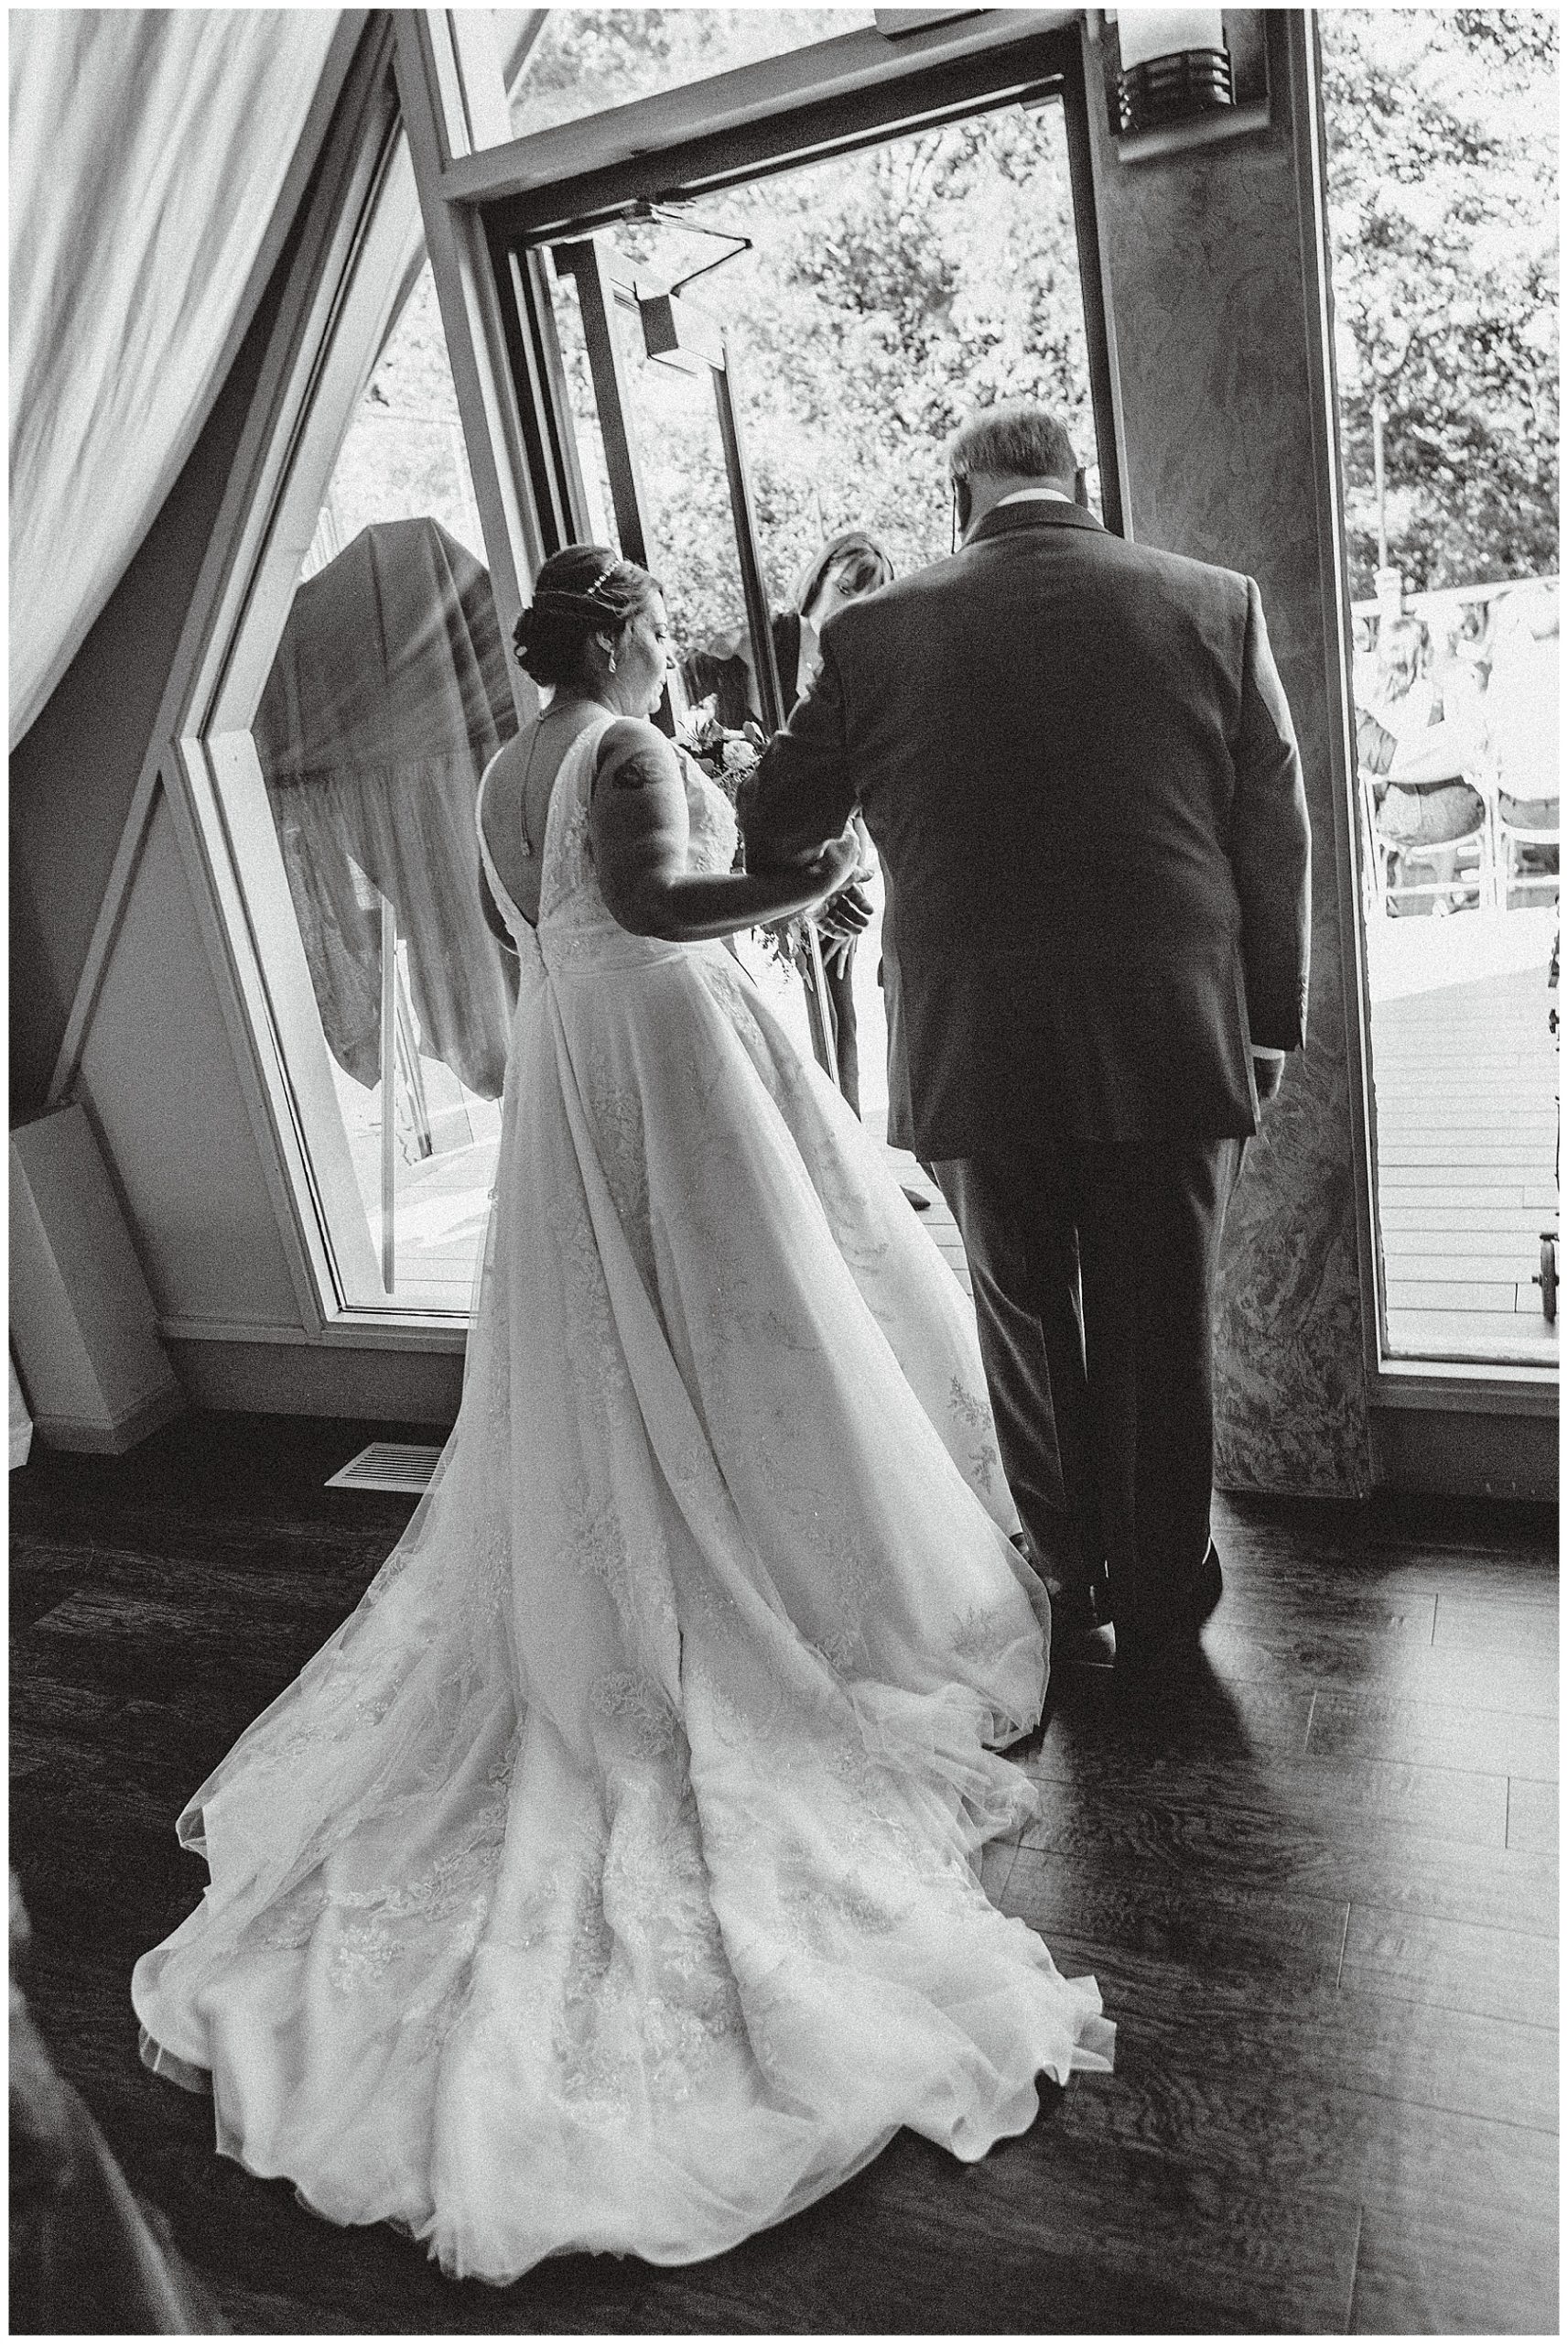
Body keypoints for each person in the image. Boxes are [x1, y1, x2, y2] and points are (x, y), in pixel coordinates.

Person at [131, 544, 1112, 2284]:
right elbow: (658, 908)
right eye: (660, 623)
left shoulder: (508, 766)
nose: (674, 646)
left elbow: (563, 919)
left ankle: (697, 1518)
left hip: (577, 1054)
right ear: (622, 638)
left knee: (640, 1325)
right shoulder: (631, 752)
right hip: (661, 1039)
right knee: (758, 1315)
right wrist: (799, 889)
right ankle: (801, 1574)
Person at [741, 402, 1312, 1676]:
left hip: (974, 1040)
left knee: (1024, 1321)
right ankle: (1166, 1582)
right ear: (1079, 481)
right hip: (1169, 1029)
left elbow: (777, 823)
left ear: (959, 496)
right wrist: (1264, 1024)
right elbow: (1274, 831)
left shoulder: (870, 634)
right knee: (1163, 1321)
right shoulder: (1212, 603)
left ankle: (1072, 1572)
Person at [684, 531, 892, 1122]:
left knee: (838, 996)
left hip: (829, 849)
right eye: (846, 588)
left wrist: (843, 863)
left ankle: (852, 1153)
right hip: (751, 850)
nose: (852, 607)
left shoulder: (861, 666)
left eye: (871, 597)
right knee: (789, 1011)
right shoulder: (762, 645)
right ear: (818, 579)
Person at [1362, 614, 1487, 912]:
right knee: (1450, 789)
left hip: (1398, 822)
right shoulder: (1438, 695)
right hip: (1450, 820)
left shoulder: (1375, 705)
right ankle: (1442, 896)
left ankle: (1386, 890)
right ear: (1422, 651)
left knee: (1388, 792)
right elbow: (1465, 746)